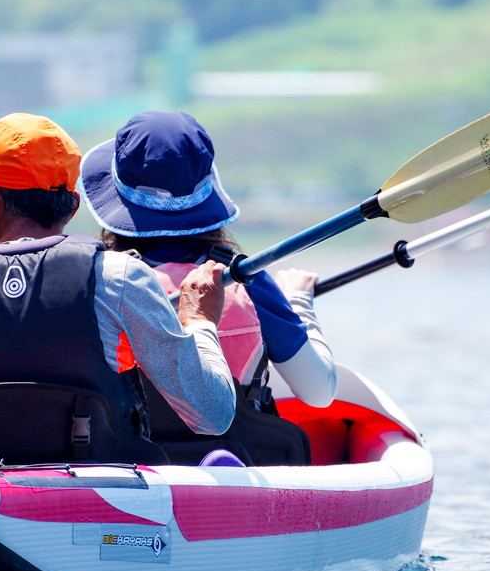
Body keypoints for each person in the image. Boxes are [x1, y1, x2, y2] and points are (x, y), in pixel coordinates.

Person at [0, 112, 236, 463]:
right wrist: (199, 320)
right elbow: (212, 416)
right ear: (72, 205)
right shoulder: (122, 277)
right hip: (105, 493)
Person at [81, 110, 338, 412]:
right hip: (235, 453)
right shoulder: (247, 280)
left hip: (132, 455)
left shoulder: (95, 280)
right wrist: (298, 302)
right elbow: (319, 393)